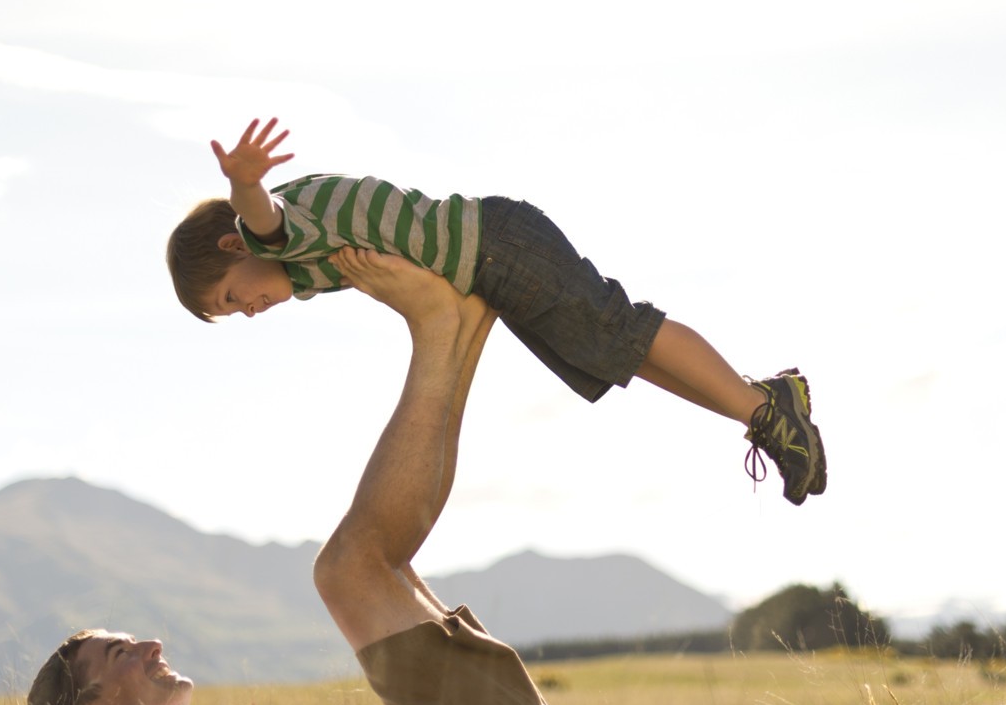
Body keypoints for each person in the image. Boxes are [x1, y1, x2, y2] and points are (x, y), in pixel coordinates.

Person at [28, 249, 589, 705]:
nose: (151, 645)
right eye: (120, 654)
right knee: (349, 570)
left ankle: (461, 326)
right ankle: (444, 329)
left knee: (384, 566)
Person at [166, 117, 828, 504]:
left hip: (500, 248)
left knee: (622, 331)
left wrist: (243, 183)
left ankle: (770, 415)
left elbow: (265, 220)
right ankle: (762, 402)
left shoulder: (285, 230)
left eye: (231, 297)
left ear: (235, 247)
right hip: (498, 260)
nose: (246, 311)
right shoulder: (307, 263)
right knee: (617, 356)